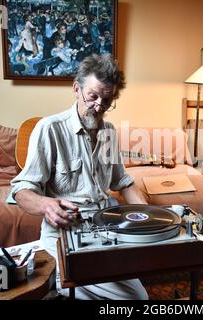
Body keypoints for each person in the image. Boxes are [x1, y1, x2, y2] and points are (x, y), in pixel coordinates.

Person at [10, 54, 149, 300]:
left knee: (139, 282)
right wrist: (46, 204)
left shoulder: (109, 132)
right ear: (76, 88)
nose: (99, 106)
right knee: (135, 299)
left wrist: (151, 215)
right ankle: (62, 278)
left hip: (104, 231)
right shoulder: (49, 128)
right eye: (93, 96)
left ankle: (62, 284)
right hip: (63, 236)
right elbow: (21, 190)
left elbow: (122, 182)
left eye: (107, 100)